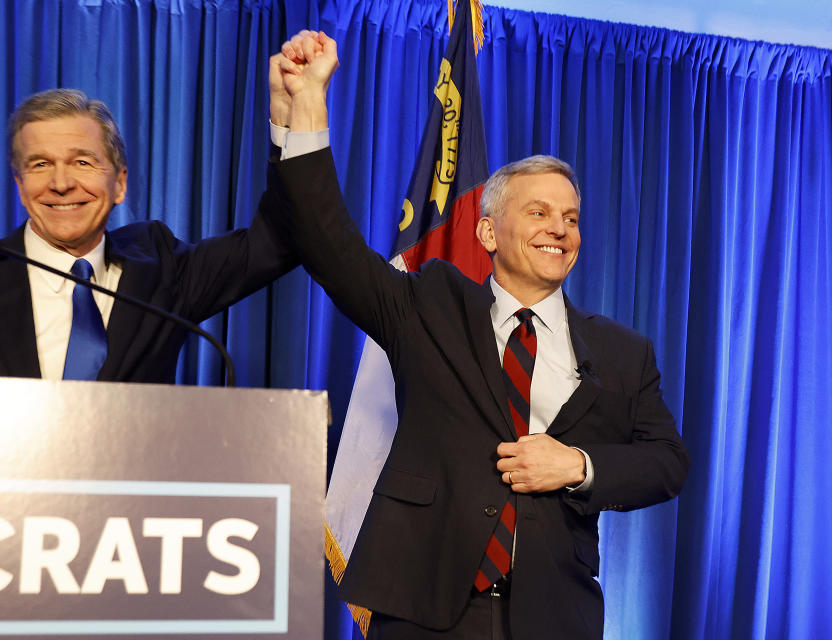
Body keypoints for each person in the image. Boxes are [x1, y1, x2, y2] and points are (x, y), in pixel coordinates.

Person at [270, 32, 689, 638]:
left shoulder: (625, 352)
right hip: (423, 609)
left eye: (571, 218)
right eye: (538, 213)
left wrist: (577, 465)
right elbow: (328, 244)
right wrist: (307, 105)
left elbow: (667, 463)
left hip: (552, 615)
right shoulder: (430, 305)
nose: (560, 229)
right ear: (488, 233)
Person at [0, 67, 320, 382]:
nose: (61, 183)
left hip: (126, 514)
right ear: (20, 183)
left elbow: (279, 241)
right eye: (41, 163)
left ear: (119, 183)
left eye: (82, 162)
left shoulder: (163, 271)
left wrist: (290, 115)